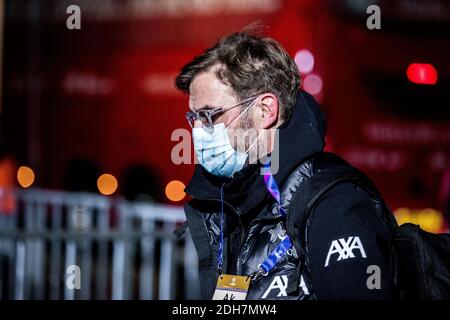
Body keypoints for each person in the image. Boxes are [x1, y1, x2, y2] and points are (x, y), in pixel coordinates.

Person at [174, 29, 397, 300]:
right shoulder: (234, 196)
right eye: (193, 117)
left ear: (265, 110)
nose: (197, 129)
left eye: (209, 114)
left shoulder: (332, 203)